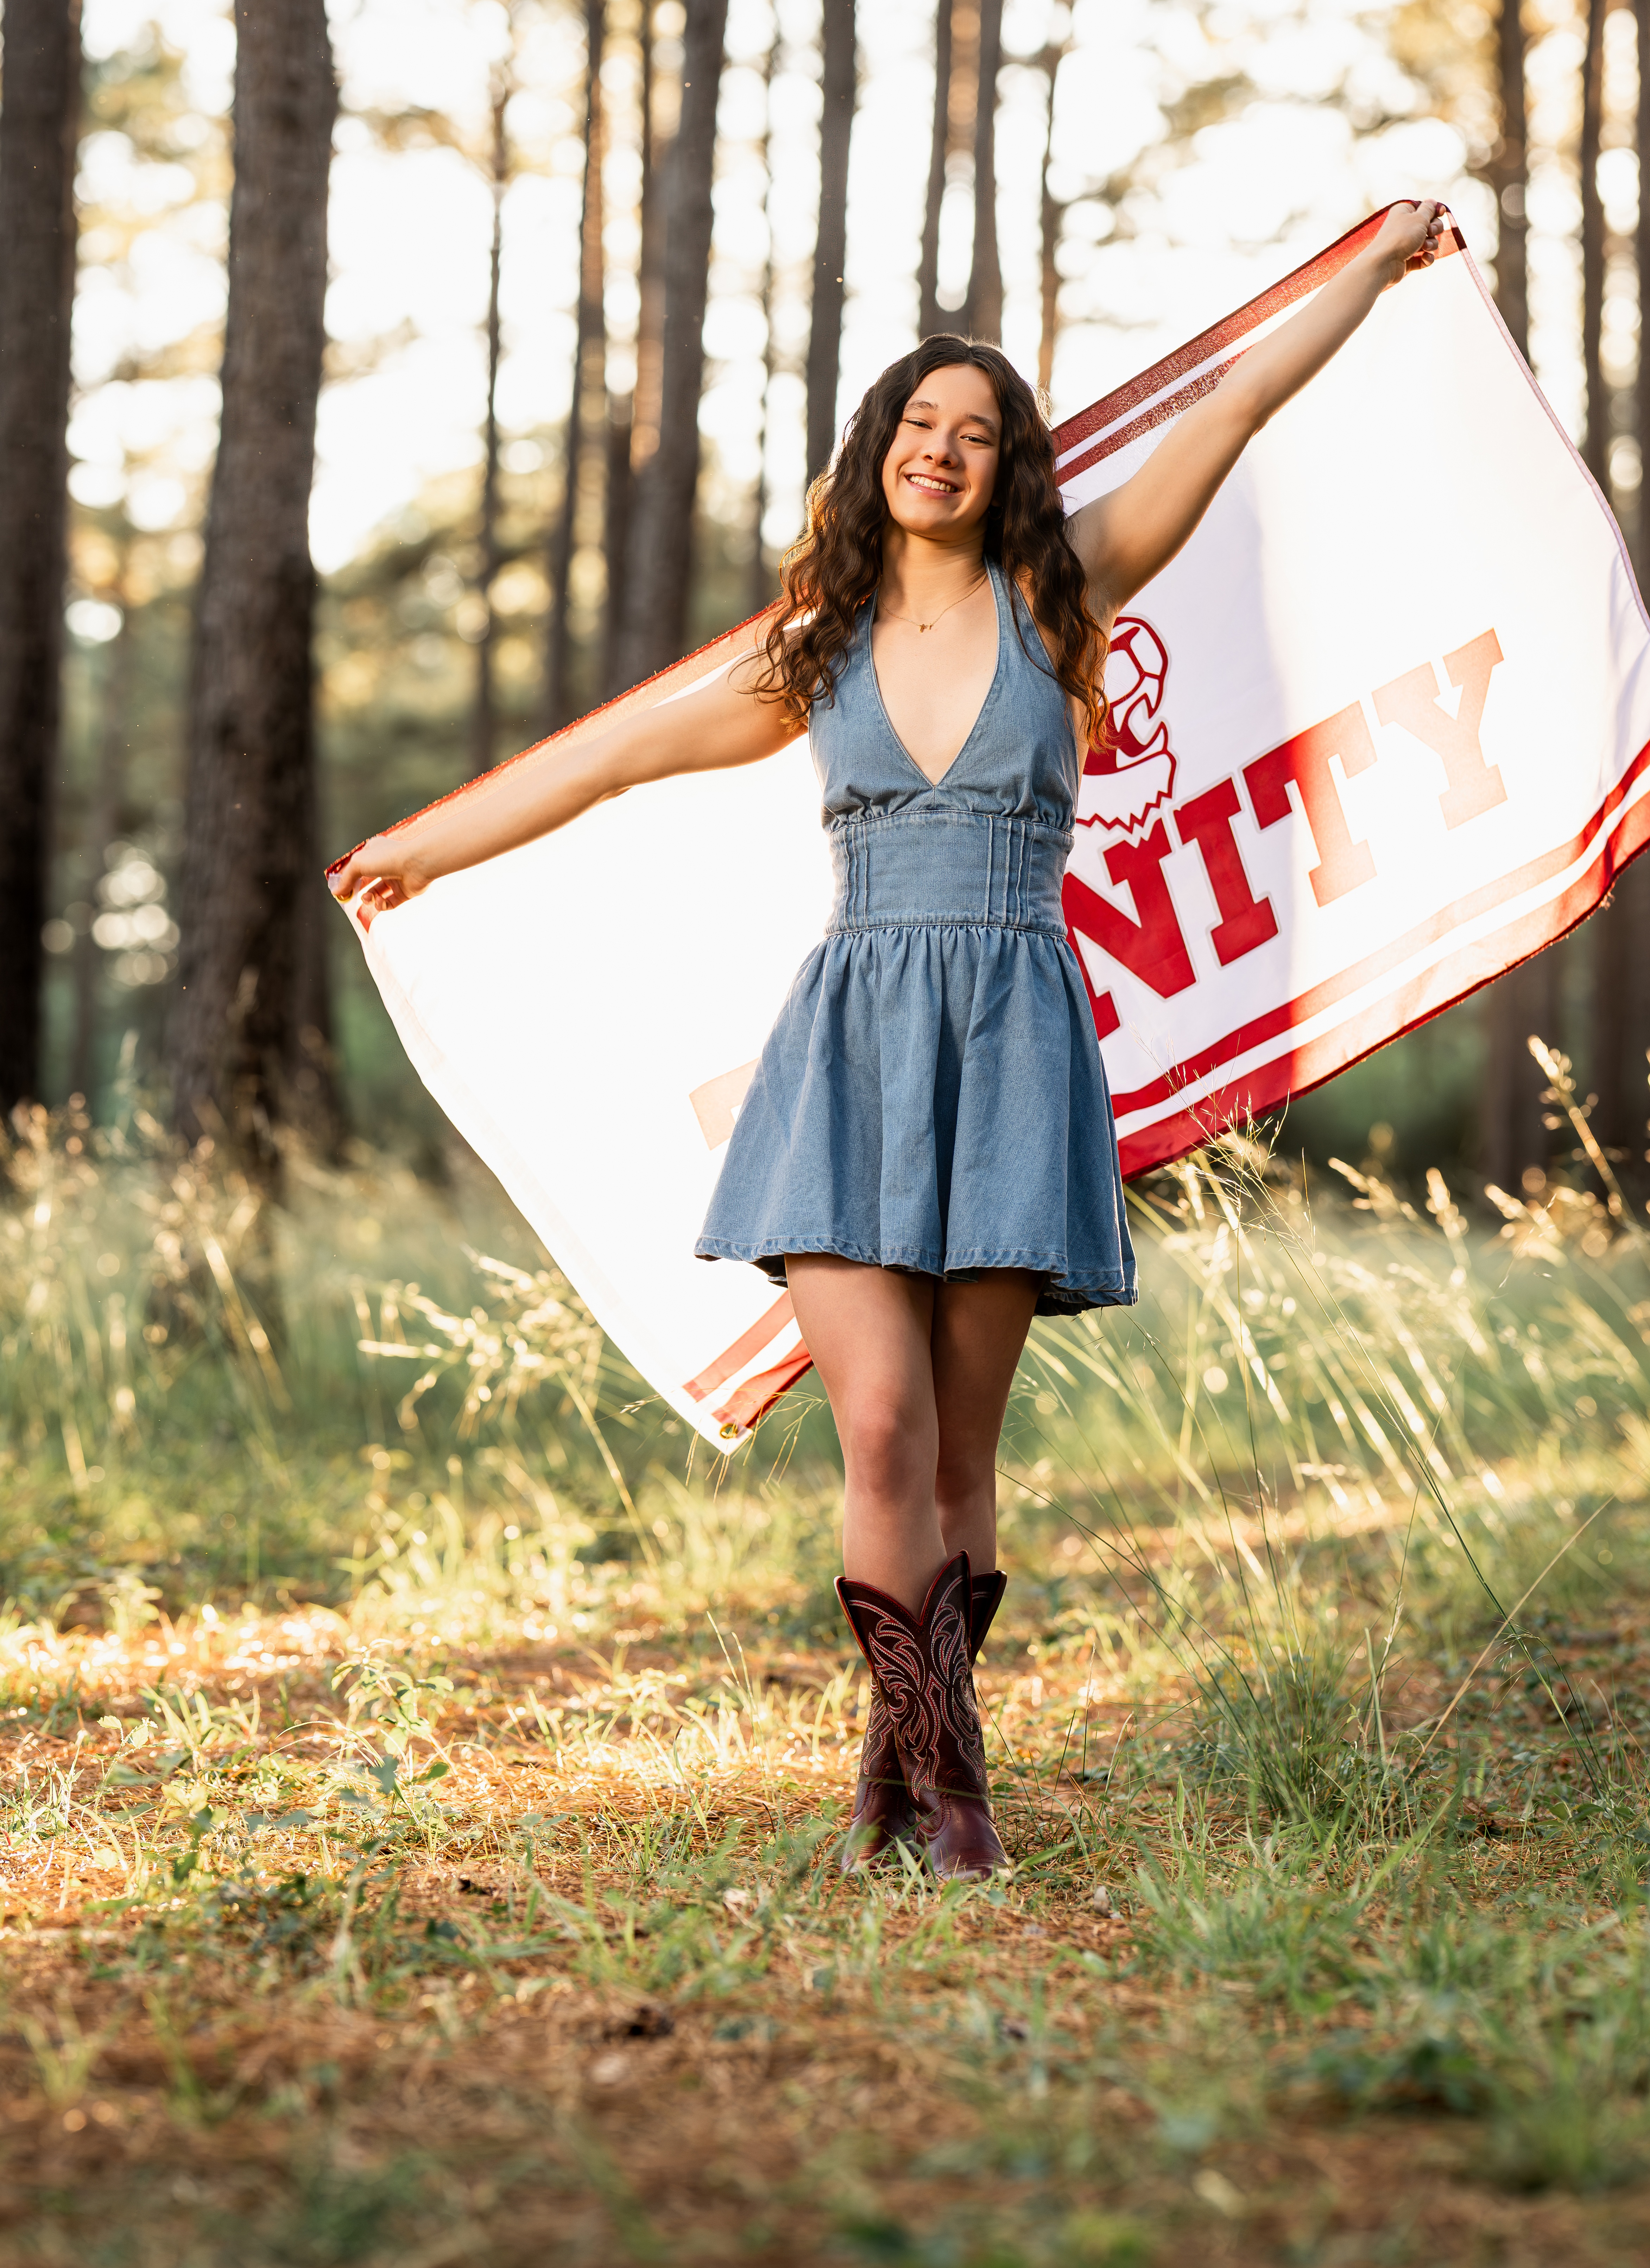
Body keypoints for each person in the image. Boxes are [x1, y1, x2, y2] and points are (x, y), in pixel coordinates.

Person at [329, 195, 1448, 1882]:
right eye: (920, 426)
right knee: (877, 1434)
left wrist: (1365, 269)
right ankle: (955, 1791)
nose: (944, 451)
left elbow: (1228, 409)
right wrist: (424, 848)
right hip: (849, 1053)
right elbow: (612, 758)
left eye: (977, 434)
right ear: (879, 454)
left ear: (1009, 468)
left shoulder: (1060, 606)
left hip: (1009, 1042)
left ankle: (895, 1767)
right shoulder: (818, 651)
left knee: (964, 1455)